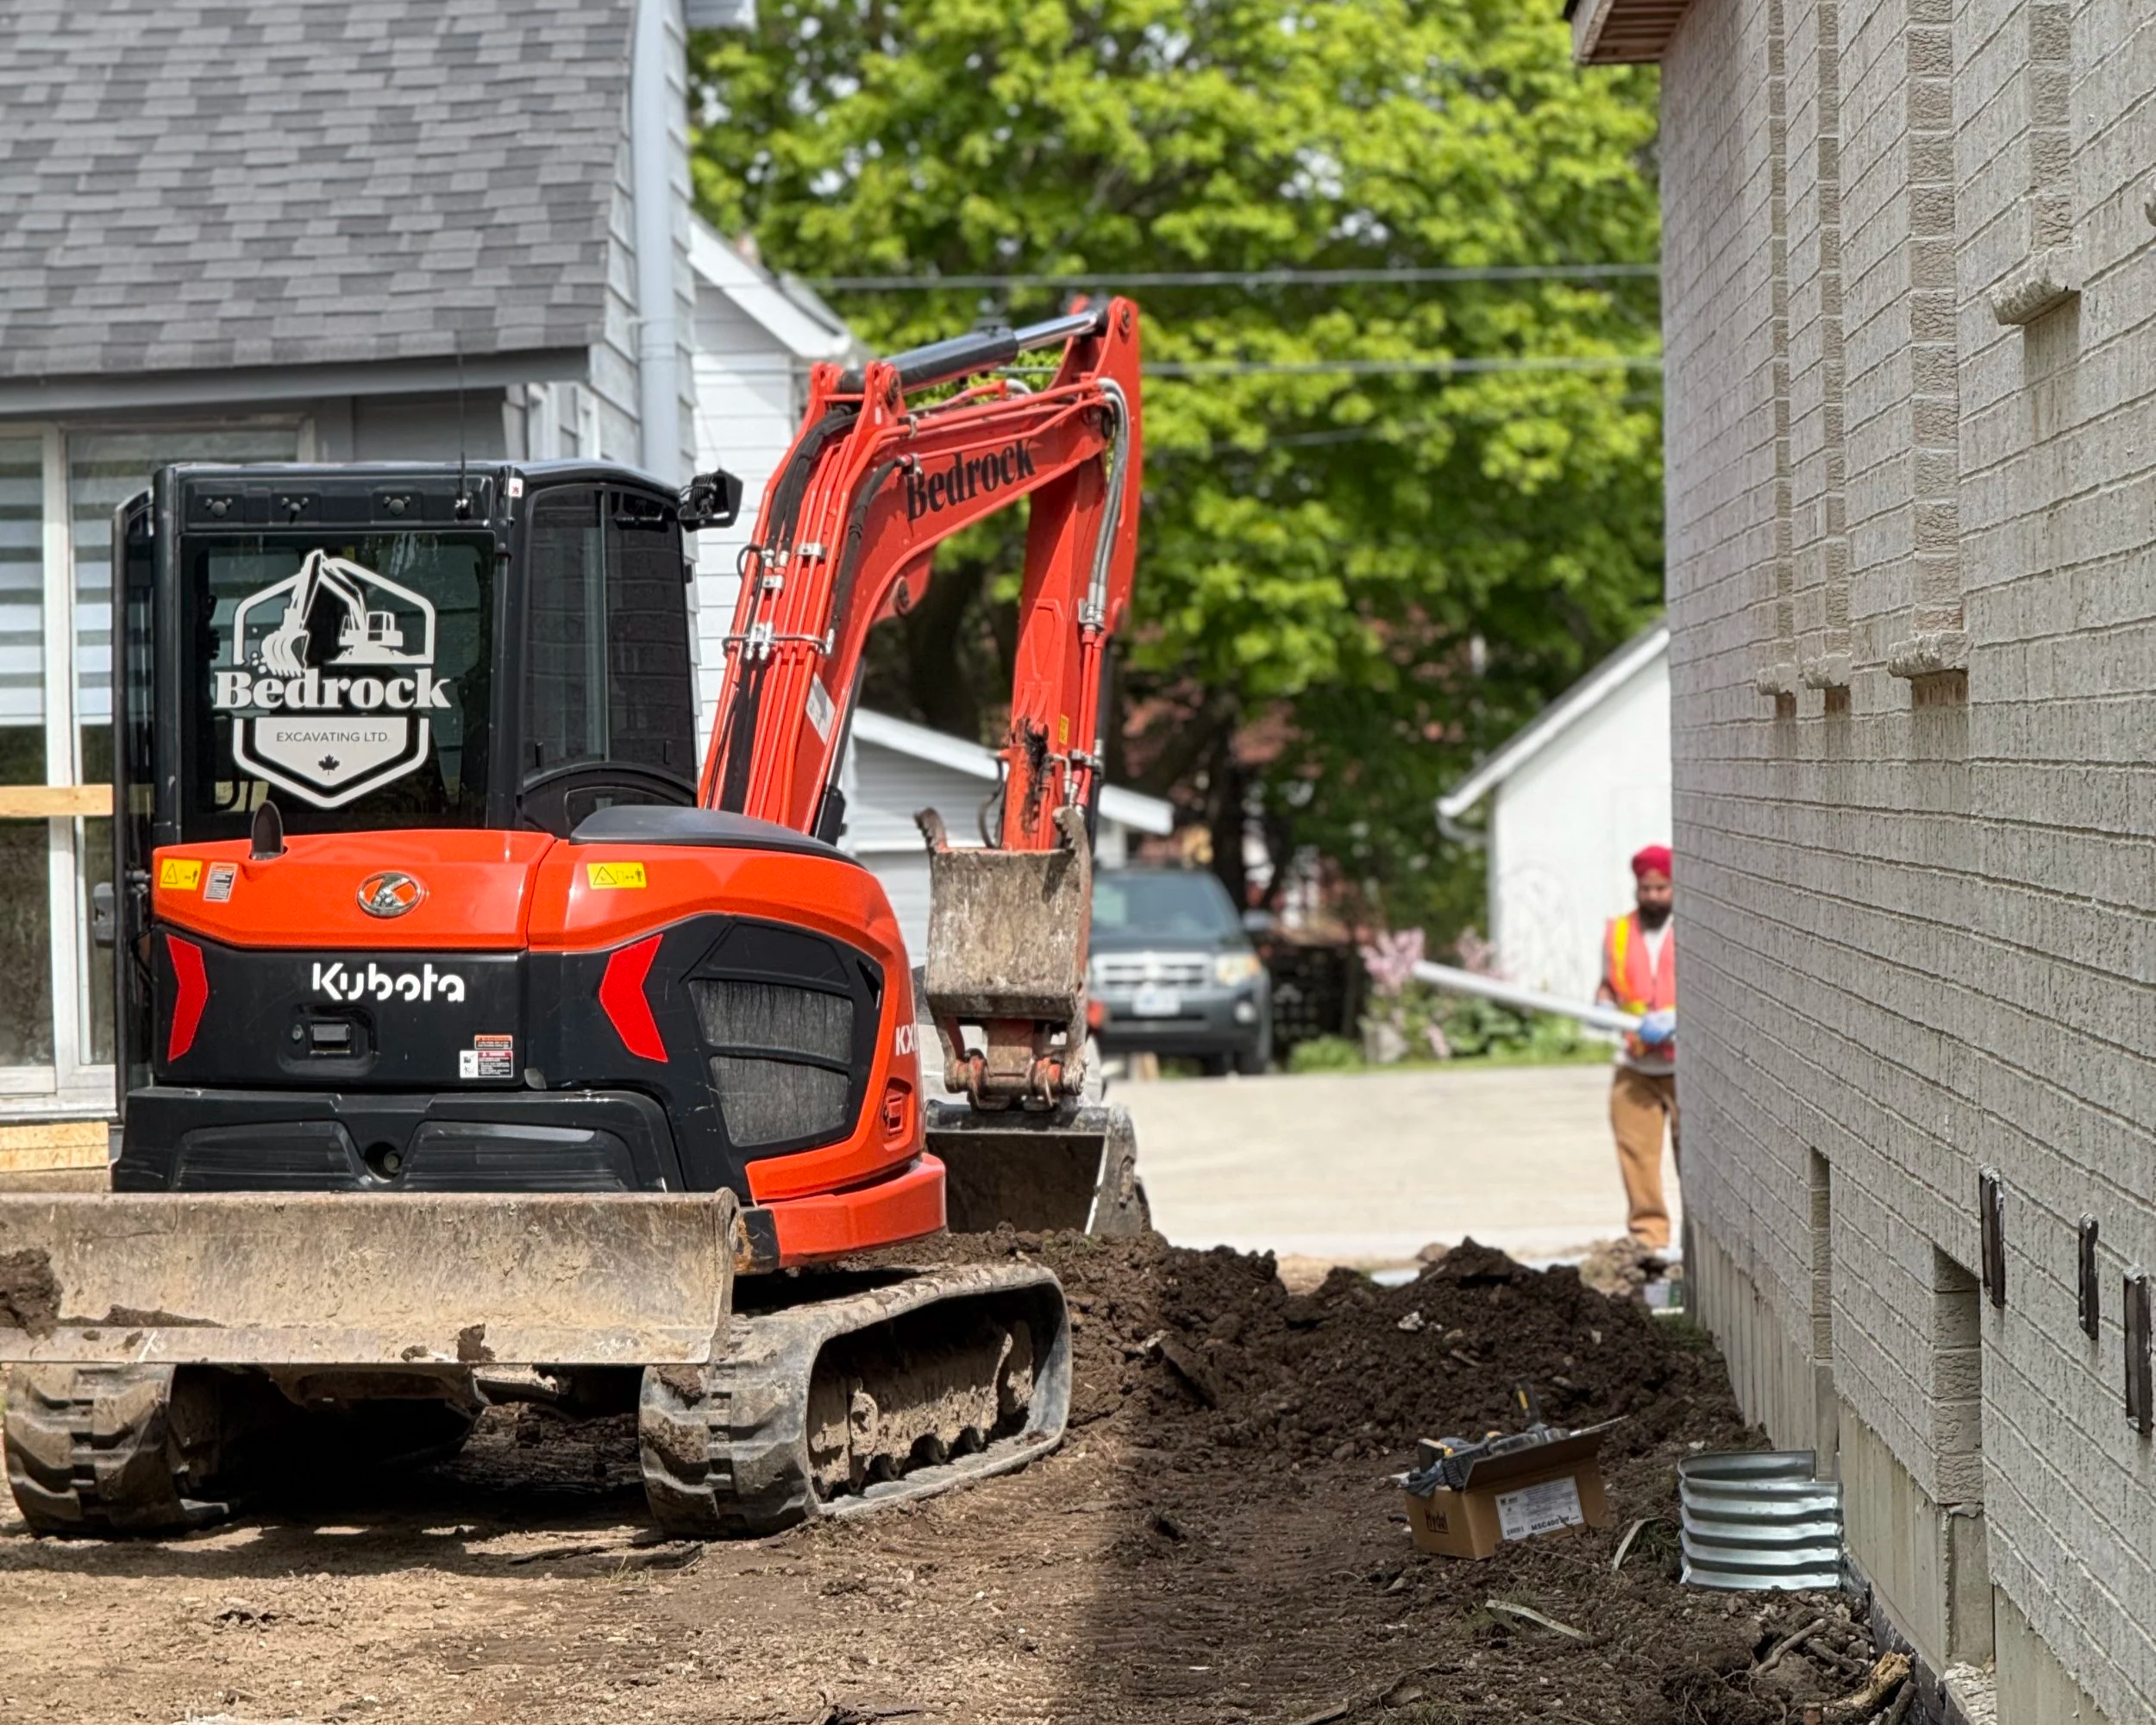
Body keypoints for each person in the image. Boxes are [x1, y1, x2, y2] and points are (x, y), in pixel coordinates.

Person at [1595, 844, 1678, 1250]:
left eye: (1662, 888)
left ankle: (1695, 1247)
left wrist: (1678, 1019)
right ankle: (1650, 1246)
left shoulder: (1694, 928)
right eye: (1646, 888)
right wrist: (1603, 1006)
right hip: (1635, 1065)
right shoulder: (1620, 932)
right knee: (1637, 1159)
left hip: (1685, 1067)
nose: (1653, 896)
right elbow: (1609, 984)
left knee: (1696, 1165)